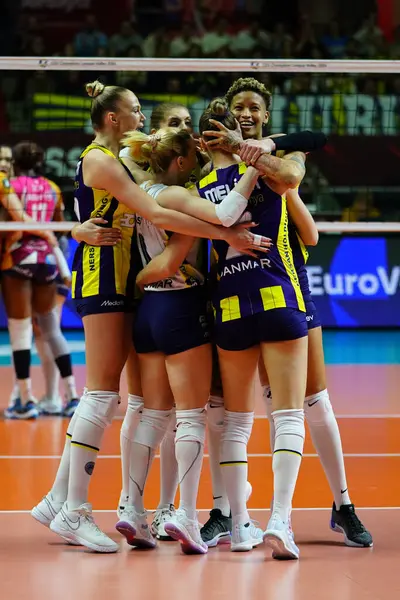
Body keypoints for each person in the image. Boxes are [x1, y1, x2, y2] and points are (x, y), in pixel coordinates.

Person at [31, 81, 266, 554]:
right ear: (115, 120)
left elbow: (135, 197)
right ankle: (82, 509)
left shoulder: (128, 163)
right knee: (111, 397)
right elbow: (157, 210)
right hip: (115, 280)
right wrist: (227, 235)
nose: (142, 119)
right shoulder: (108, 161)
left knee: (142, 408)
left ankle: (71, 500)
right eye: (137, 112)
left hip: (135, 287)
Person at [202, 76, 372, 549]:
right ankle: (224, 510)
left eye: (255, 107)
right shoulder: (212, 165)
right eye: (239, 106)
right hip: (233, 296)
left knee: (312, 404)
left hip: (289, 290)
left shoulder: (281, 163)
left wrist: (256, 150)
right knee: (226, 409)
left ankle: (342, 504)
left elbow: (302, 206)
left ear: (266, 115)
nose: (246, 113)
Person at [116, 125, 271, 554]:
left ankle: (131, 507)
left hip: (149, 311)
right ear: (181, 162)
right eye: (194, 158)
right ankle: (185, 513)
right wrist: (253, 166)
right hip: (180, 308)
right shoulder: (174, 193)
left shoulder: (141, 190)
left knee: (152, 415)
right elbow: (224, 217)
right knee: (190, 417)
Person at [197, 97, 308, 557]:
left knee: (235, 424)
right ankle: (280, 518)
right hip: (276, 293)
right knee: (287, 415)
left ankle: (239, 524)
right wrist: (256, 151)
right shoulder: (272, 166)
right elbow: (293, 176)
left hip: (227, 304)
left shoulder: (197, 184)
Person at [1, 141, 79, 420]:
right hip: (47, 261)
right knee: (51, 329)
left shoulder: (9, 186)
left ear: (15, 163)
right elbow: (59, 226)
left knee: (21, 332)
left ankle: (24, 401)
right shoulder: (52, 187)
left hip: (18, 258)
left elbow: (13, 216)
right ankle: (71, 396)